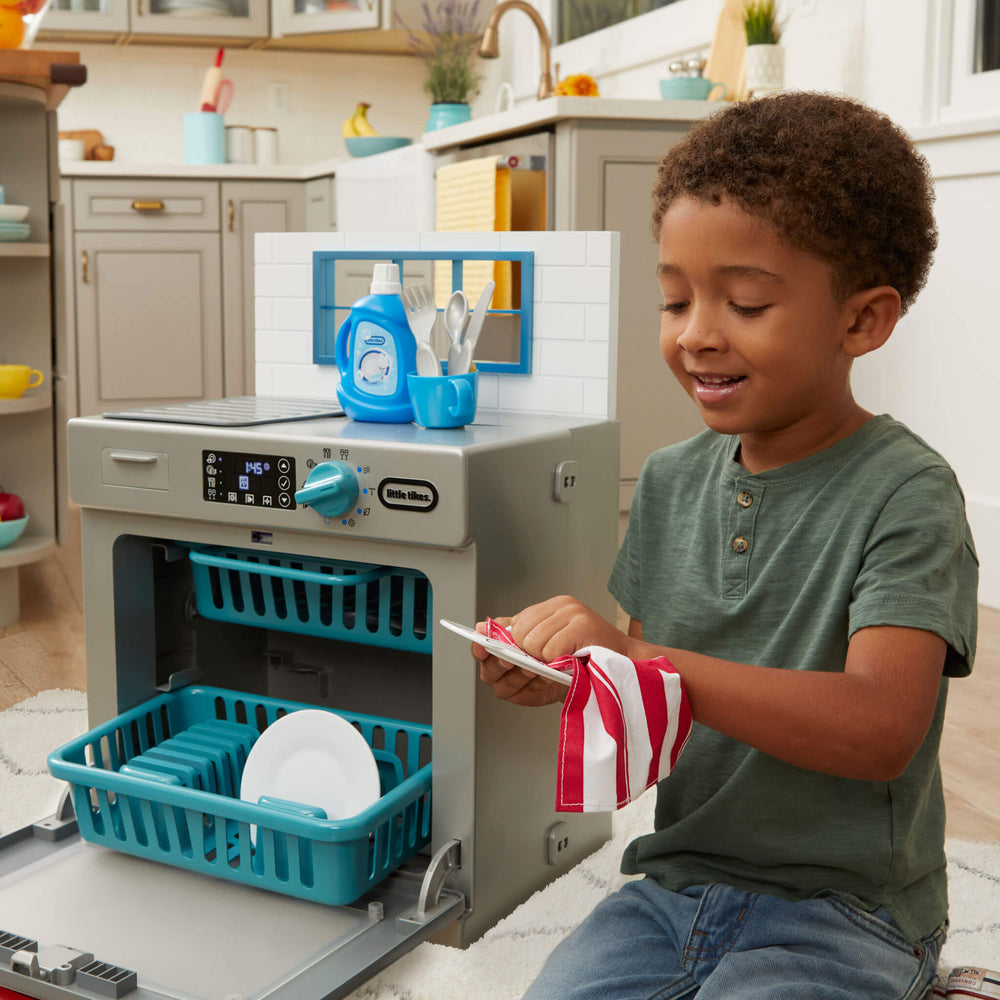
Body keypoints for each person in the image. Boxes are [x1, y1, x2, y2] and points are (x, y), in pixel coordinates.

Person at [473, 91, 979, 1000]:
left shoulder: (908, 492)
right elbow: (656, 701)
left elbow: (880, 730)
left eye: (744, 302)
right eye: (676, 298)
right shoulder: (667, 480)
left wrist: (638, 656)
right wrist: (573, 677)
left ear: (862, 321)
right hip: (677, 883)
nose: (697, 332)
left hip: (849, 907)